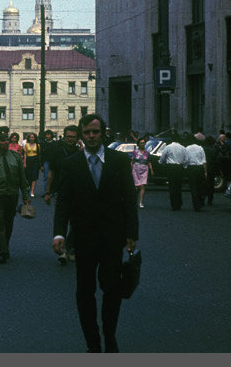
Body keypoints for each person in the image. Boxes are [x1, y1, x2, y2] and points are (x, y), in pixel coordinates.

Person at [52, 114, 138, 353]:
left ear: (103, 133)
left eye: (96, 132)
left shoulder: (119, 160)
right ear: (81, 134)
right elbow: (64, 204)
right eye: (87, 133)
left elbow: (130, 198)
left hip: (113, 238)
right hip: (84, 239)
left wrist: (132, 232)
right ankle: (93, 342)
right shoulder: (70, 164)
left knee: (112, 289)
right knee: (85, 292)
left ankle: (110, 336)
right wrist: (58, 234)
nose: (91, 136)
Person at [0, 126, 31, 264]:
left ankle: (5, 245)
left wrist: (26, 196)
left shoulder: (15, 158)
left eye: (6, 140)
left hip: (12, 194)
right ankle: (2, 251)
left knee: (9, 222)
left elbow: (22, 178)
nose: (5, 142)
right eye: (1, 140)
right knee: (0, 222)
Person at [44, 125, 82, 265]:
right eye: (68, 137)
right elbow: (51, 173)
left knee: (76, 221)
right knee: (61, 218)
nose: (70, 140)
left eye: (73, 137)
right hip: (60, 190)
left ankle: (70, 247)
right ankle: (63, 250)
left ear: (77, 138)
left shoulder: (81, 152)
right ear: (64, 137)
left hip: (78, 192)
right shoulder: (57, 151)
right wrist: (47, 192)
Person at [158, 133, 187, 211]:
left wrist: (160, 162)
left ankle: (174, 204)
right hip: (179, 167)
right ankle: (179, 203)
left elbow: (162, 157)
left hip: (171, 168)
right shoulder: (183, 148)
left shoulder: (168, 147)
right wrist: (183, 166)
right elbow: (186, 159)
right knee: (179, 186)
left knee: (172, 186)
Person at [184, 134, 207, 212]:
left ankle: (196, 205)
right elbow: (204, 161)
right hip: (200, 168)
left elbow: (186, 160)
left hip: (191, 168)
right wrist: (205, 171)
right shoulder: (200, 148)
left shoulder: (187, 148)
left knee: (193, 187)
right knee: (200, 186)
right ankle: (200, 201)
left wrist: (186, 167)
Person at [131, 138, 153, 208]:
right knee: (136, 187)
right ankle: (134, 200)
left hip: (144, 168)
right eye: (141, 143)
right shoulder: (135, 152)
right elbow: (132, 161)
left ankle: (141, 202)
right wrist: (130, 170)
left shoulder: (147, 152)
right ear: (138, 144)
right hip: (136, 168)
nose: (143, 144)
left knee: (143, 185)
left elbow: (149, 161)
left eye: (144, 143)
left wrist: (151, 169)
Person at [23, 132, 41, 198]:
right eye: (30, 137)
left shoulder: (38, 145)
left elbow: (39, 154)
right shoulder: (26, 144)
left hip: (35, 161)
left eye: (33, 137)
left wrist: (40, 164)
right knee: (28, 176)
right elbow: (25, 154)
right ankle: (28, 188)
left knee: (34, 176)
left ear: (35, 138)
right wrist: (24, 163)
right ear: (29, 138)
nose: (31, 138)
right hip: (28, 160)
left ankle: (32, 191)